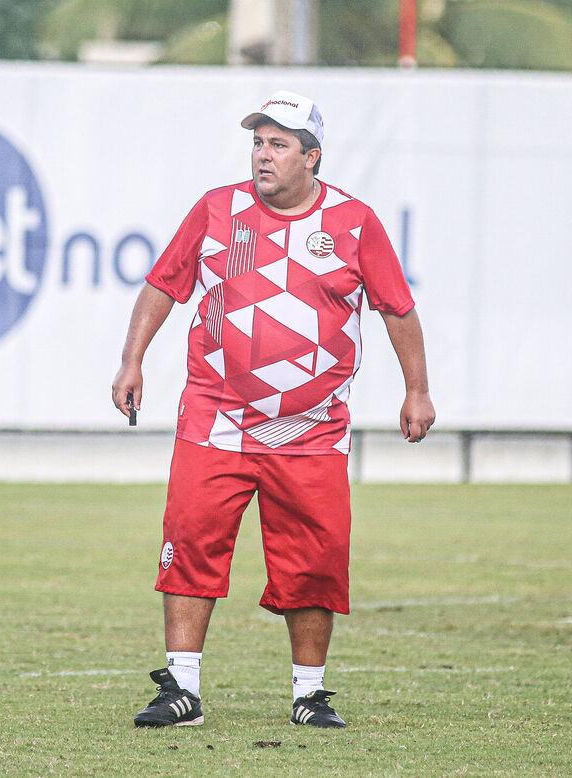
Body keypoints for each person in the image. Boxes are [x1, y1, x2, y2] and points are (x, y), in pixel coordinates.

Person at [111, 90, 435, 729]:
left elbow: (397, 308)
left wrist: (416, 389)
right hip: (216, 418)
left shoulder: (355, 222)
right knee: (190, 543)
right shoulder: (215, 210)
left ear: (312, 158)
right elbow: (162, 285)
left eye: (279, 144)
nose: (263, 155)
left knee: (313, 557)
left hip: (312, 430)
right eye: (258, 142)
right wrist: (132, 359)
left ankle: (309, 695)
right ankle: (182, 690)